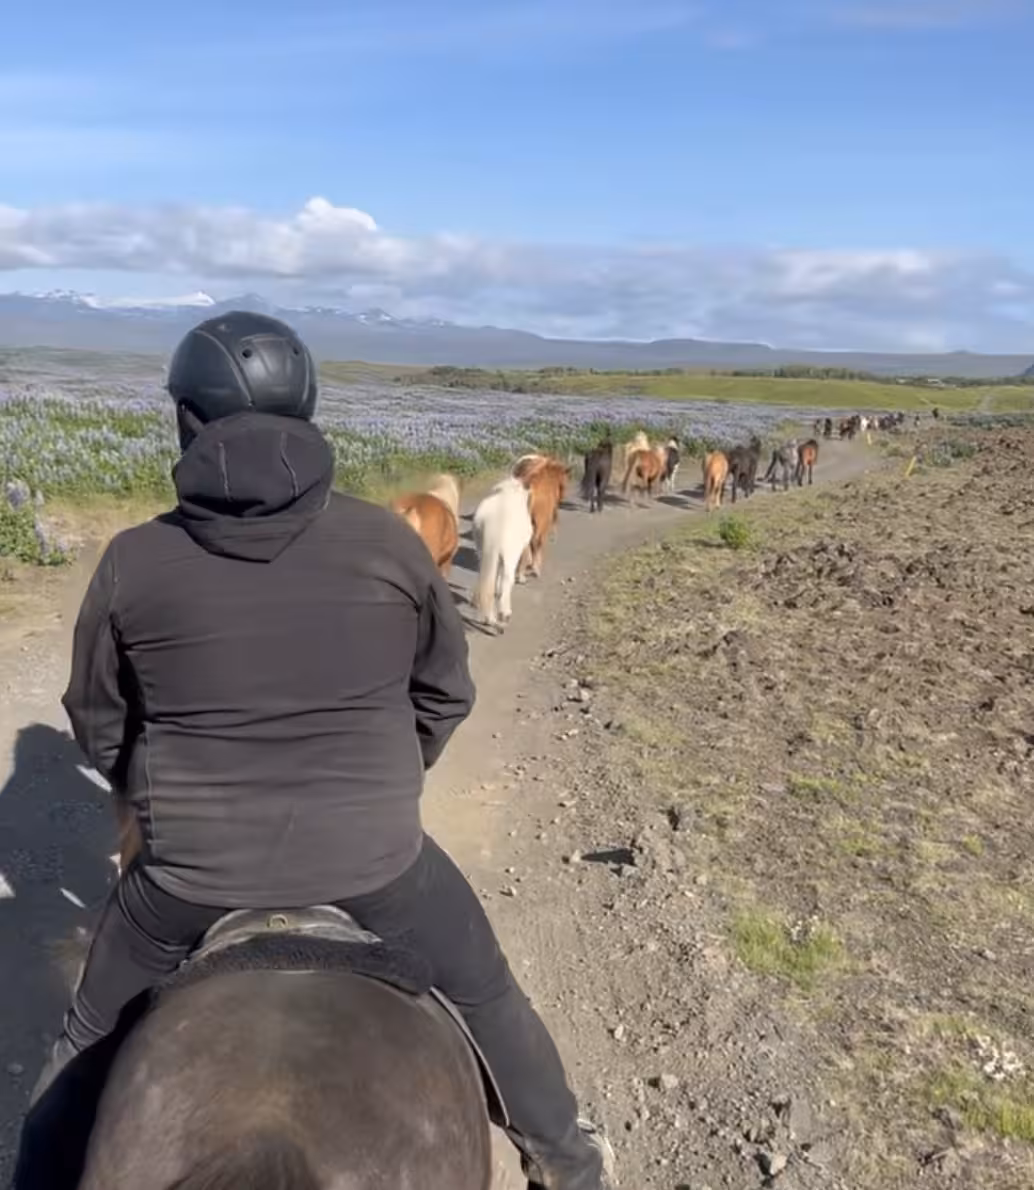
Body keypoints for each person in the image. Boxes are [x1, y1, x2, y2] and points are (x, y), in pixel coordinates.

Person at [31, 311, 611, 1190]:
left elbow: (97, 717)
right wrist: (377, 780)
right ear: (309, 414)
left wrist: (148, 791)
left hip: (188, 881)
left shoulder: (134, 561)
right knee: (489, 998)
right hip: (375, 862)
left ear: (187, 421)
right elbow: (445, 692)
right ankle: (571, 1164)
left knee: (82, 1044)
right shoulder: (388, 541)